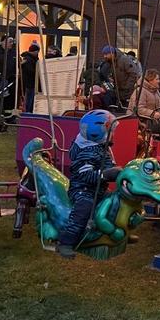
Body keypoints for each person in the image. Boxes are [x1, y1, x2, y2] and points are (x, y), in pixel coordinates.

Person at [56, 110, 121, 259]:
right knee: (83, 209)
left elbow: (106, 164)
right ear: (98, 133)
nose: (114, 135)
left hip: (97, 189)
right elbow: (85, 175)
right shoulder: (88, 152)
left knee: (115, 201)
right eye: (111, 131)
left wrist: (115, 171)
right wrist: (105, 175)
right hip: (83, 190)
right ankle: (65, 242)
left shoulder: (100, 147)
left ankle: (108, 234)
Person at [128, 69, 160, 139]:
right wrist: (152, 113)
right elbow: (138, 109)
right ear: (150, 80)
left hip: (152, 120)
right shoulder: (141, 91)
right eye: (157, 79)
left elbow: (159, 101)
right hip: (141, 121)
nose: (159, 81)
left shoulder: (155, 90)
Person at [20, 43, 40, 113]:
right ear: (36, 51)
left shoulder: (28, 58)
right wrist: (38, 72)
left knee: (30, 98)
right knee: (29, 99)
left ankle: (28, 111)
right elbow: (30, 71)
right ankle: (27, 112)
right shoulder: (29, 59)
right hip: (30, 82)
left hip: (29, 82)